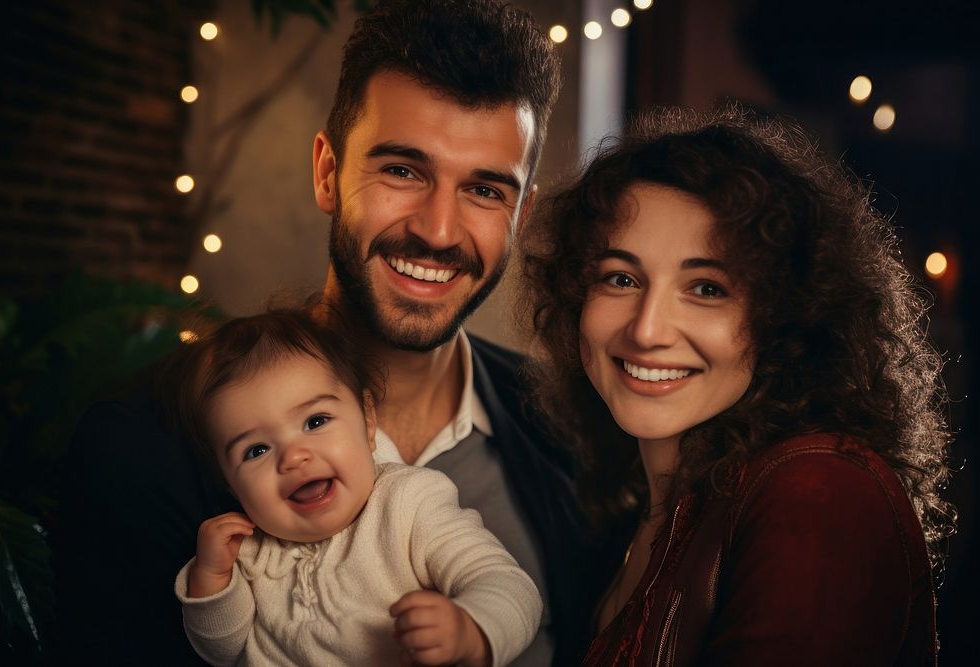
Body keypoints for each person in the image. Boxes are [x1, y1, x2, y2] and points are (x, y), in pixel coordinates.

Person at [56, 1, 614, 665]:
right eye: (403, 170)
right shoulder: (138, 446)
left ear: (520, 213)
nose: (438, 230)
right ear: (327, 172)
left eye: (486, 190)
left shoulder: (572, 424)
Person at [521, 107, 955, 665]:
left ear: (786, 315)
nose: (647, 330)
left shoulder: (819, 491)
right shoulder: (641, 505)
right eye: (621, 279)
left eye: (706, 288)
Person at [167, 308, 540, 666]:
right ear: (230, 484)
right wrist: (212, 581)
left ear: (367, 421)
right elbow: (222, 651)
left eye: (315, 422)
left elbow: (508, 586)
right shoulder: (248, 550)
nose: (294, 457)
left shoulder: (409, 504)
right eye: (257, 450)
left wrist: (470, 630)